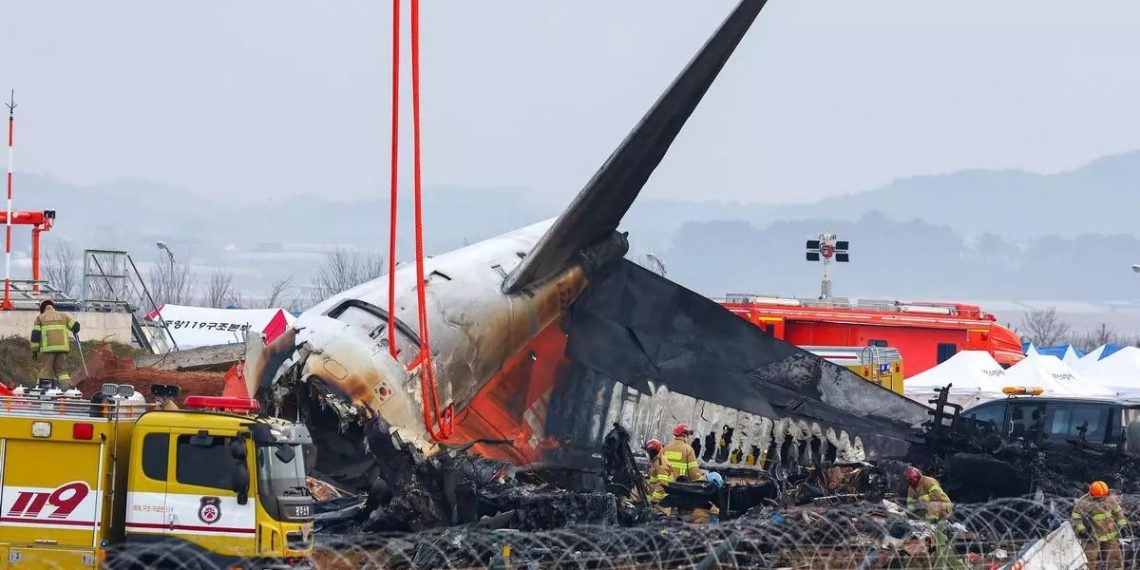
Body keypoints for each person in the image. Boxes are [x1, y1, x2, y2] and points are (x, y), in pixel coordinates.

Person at [1071, 480, 1128, 570]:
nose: (1103, 499)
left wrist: (1123, 526)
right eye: (1100, 498)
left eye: (1104, 497)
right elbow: (1076, 517)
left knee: (1114, 559)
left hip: (1110, 534)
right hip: (1092, 536)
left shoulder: (1110, 498)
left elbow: (1118, 513)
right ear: (1093, 495)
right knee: (1089, 561)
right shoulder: (1083, 502)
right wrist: (1082, 531)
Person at [29, 300, 81, 387]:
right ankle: (67, 388)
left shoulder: (40, 318)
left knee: (45, 370)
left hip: (47, 349)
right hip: (62, 349)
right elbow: (76, 326)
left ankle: (43, 390)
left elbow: (35, 336)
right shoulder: (63, 316)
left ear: (42, 309)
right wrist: (75, 329)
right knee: (62, 371)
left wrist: (34, 351)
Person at [643, 439, 671, 510]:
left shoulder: (661, 464)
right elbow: (654, 479)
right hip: (659, 501)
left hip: (662, 504)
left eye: (648, 452)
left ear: (653, 451)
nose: (646, 454)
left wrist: (652, 500)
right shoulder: (656, 461)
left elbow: (662, 485)